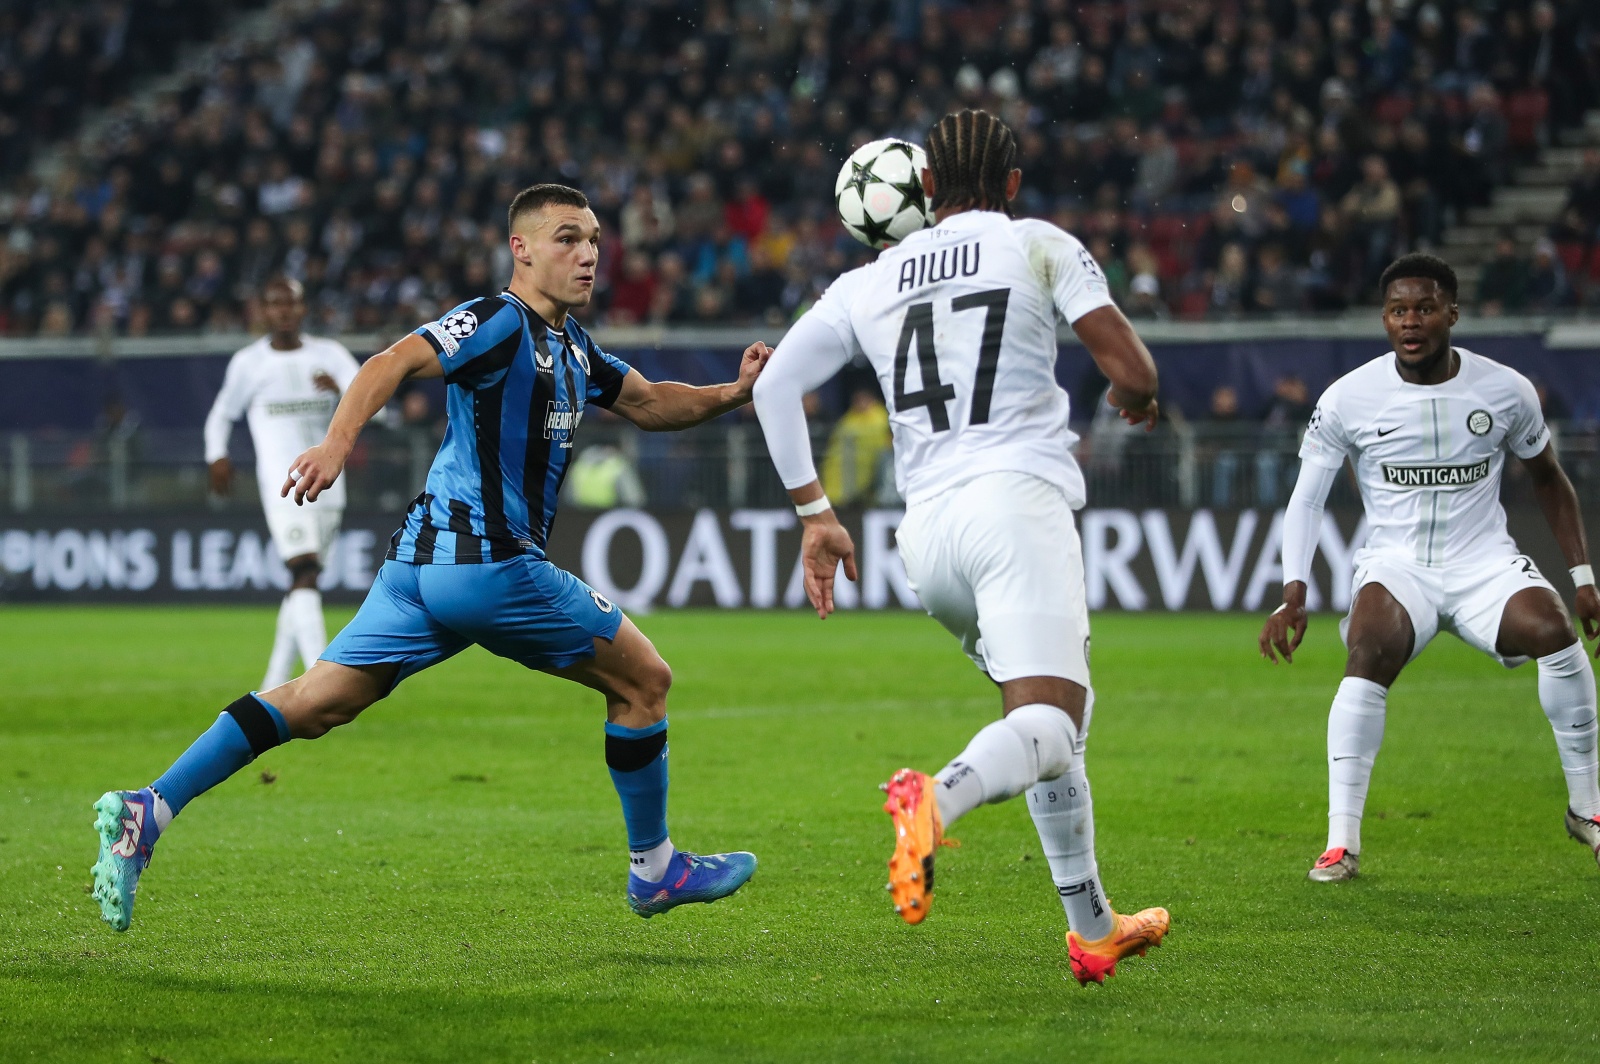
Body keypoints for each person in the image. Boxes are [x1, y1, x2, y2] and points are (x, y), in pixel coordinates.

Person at [91, 184, 768, 932]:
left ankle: (149, 807)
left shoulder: (575, 349)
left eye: (596, 240)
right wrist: (336, 445)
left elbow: (650, 403)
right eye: (568, 239)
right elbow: (391, 361)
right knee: (646, 682)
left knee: (316, 702)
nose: (588, 255)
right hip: (489, 565)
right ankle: (656, 869)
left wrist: (736, 392)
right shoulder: (495, 322)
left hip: (421, 567)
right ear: (522, 249)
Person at [752, 110, 1170, 986]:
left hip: (927, 540)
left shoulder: (865, 283)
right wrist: (1138, 402)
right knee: (1050, 722)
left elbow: (775, 388)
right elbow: (1132, 374)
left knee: (1051, 725)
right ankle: (933, 802)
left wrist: (815, 514)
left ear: (926, 189)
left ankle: (1094, 930)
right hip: (1016, 506)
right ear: (1012, 185)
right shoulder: (1038, 243)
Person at [1260, 253, 1600, 883]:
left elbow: (1550, 479)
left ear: (1452, 312)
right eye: (1397, 310)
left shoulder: (1505, 389)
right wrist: (1294, 591)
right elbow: (1305, 499)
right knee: (1366, 647)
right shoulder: (1349, 398)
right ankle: (1341, 844)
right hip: (1399, 565)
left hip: (1484, 563)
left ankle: (1589, 811)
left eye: (1423, 308)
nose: (1409, 321)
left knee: (1554, 632)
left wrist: (1581, 579)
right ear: (1383, 319)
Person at [204, 277, 362, 690]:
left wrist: (345, 390)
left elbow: (375, 409)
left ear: (302, 308)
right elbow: (222, 414)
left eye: (290, 303)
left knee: (303, 583)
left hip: (329, 485)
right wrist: (216, 455)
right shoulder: (248, 363)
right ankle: (320, 676)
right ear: (263, 310)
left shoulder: (331, 355)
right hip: (283, 486)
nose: (283, 311)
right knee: (304, 568)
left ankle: (274, 682)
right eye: (274, 304)